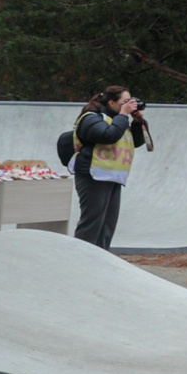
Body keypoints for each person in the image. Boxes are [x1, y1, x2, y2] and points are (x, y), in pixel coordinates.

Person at [69, 86, 150, 251]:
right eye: (124, 102)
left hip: (113, 177)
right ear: (111, 102)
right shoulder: (92, 118)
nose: (129, 105)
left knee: (107, 225)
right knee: (92, 223)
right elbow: (108, 136)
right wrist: (123, 115)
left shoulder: (120, 119)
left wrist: (137, 122)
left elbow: (137, 142)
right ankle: (78, 260)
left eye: (130, 101)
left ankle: (101, 262)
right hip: (93, 176)